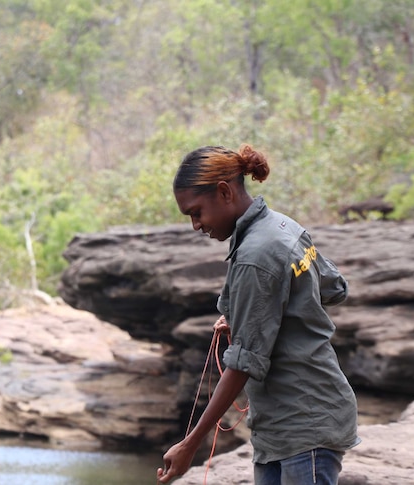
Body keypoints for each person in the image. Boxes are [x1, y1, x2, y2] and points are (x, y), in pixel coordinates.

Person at [157, 145, 360, 484]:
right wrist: (246, 317)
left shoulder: (256, 254)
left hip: (302, 424)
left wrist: (191, 444)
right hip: (284, 427)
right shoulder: (282, 226)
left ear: (224, 192)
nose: (195, 225)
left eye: (196, 212)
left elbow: (243, 363)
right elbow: (334, 287)